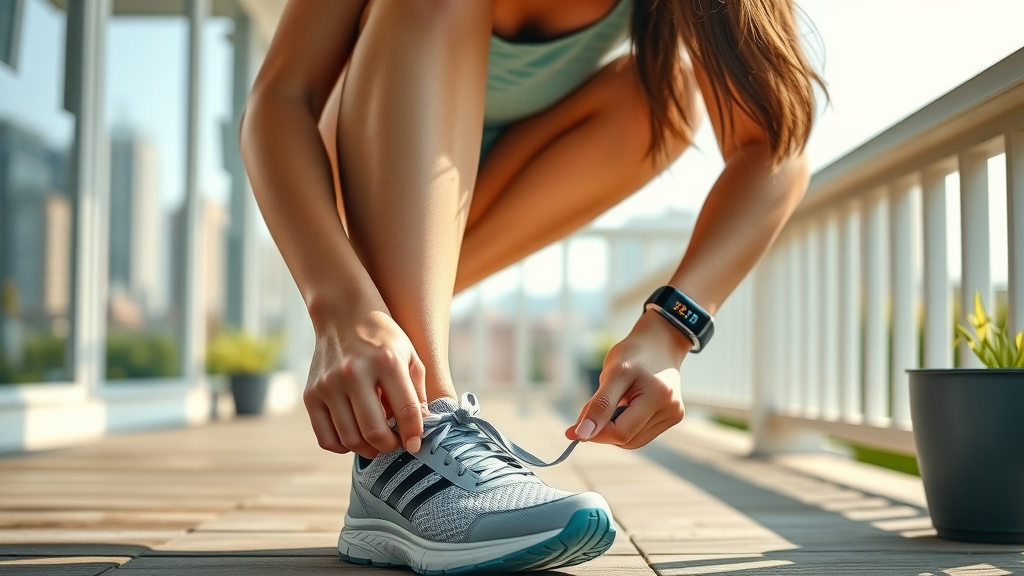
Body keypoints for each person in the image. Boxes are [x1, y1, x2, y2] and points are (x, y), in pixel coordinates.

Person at [240, 0, 824, 572]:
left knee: (665, 95)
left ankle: (405, 432)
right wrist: (340, 307)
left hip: (480, 205)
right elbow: (280, 97)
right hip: (346, 192)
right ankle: (418, 425)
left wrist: (669, 330)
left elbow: (775, 143)